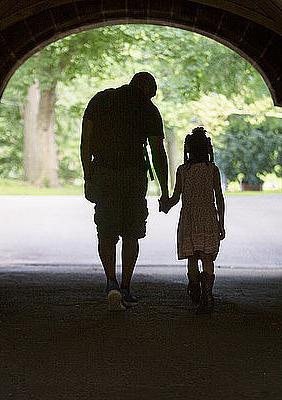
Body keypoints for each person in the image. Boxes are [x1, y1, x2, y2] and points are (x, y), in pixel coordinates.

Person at [81, 72, 169, 311]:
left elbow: (85, 141)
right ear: (148, 89)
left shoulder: (99, 100)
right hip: (133, 175)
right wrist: (165, 190)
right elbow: (158, 152)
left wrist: (88, 177)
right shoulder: (148, 109)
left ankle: (111, 282)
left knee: (106, 231)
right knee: (132, 232)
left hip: (103, 173)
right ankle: (126, 288)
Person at [161, 127, 226, 314]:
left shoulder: (183, 171)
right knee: (207, 257)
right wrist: (221, 222)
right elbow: (219, 197)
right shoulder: (212, 170)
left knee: (192, 257)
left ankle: (194, 288)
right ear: (207, 149)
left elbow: (175, 198)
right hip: (208, 217)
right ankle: (207, 295)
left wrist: (165, 204)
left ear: (188, 150)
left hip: (188, 218)